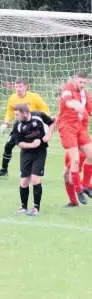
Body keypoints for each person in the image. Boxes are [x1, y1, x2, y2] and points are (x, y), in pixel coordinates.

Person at [0, 78, 50, 179]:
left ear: (25, 87)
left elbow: (44, 108)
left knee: (32, 148)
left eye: (20, 86)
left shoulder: (34, 97)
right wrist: (5, 123)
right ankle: (4, 169)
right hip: (20, 126)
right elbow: (10, 111)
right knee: (8, 146)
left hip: (33, 127)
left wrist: (45, 122)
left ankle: (31, 170)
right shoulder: (12, 98)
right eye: (16, 86)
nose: (18, 89)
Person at [13, 104, 56, 216]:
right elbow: (19, 143)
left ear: (25, 113)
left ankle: (36, 208)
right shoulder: (18, 125)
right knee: (24, 182)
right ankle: (23, 207)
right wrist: (32, 145)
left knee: (35, 179)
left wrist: (48, 136)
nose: (16, 116)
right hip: (26, 154)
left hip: (40, 152)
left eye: (18, 114)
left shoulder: (39, 116)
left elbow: (51, 123)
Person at [57, 71, 92, 205]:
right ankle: (79, 191)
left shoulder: (85, 94)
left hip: (79, 128)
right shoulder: (68, 88)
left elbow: (90, 110)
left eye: (84, 82)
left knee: (88, 156)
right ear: (75, 80)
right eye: (80, 82)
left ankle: (85, 185)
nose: (82, 85)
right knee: (74, 161)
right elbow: (67, 101)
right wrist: (74, 105)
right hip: (67, 127)